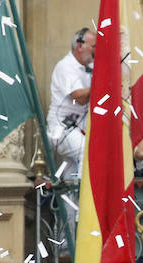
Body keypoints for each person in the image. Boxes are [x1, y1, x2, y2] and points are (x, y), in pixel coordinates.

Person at [47, 27, 95, 179]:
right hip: (61, 128)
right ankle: (84, 198)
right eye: (93, 47)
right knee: (87, 152)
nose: (96, 51)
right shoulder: (65, 66)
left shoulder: (90, 68)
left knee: (71, 174)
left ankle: (73, 202)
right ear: (80, 46)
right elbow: (79, 97)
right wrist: (101, 84)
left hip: (77, 129)